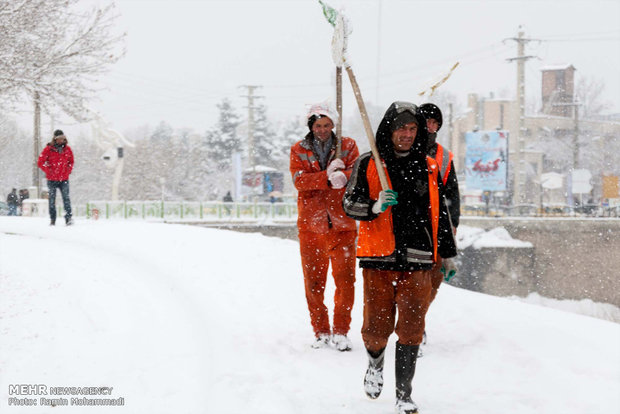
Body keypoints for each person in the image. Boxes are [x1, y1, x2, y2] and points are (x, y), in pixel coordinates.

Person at [343, 101, 457, 413]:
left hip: (419, 258)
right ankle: (375, 364)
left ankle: (404, 394)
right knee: (376, 329)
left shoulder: (430, 166)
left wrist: (447, 254)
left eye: (412, 128)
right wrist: (375, 206)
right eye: (400, 128)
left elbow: (441, 214)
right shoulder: (369, 164)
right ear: (389, 130)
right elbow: (349, 204)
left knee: (411, 327)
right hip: (379, 257)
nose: (406, 134)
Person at [290, 102, 360, 351]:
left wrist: (345, 174)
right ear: (311, 126)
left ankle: (341, 331)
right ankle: (320, 331)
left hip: (343, 223)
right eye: (318, 125)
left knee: (345, 281)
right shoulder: (299, 150)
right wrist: (326, 178)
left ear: (334, 125)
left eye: (327, 125)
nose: (322, 130)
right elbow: (299, 181)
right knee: (314, 282)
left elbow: (358, 172)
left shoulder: (347, 146)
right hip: (311, 226)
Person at [419, 103, 461, 353]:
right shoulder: (402, 148)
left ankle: (417, 319)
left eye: (435, 122)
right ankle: (410, 323)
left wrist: (452, 224)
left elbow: (452, 193)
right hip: (412, 224)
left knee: (433, 279)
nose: (430, 126)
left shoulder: (444, 156)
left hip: (437, 226)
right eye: (426, 121)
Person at [38, 129, 74, 226]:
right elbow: (40, 162)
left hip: (64, 179)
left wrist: (67, 171)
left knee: (66, 198)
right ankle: (52, 219)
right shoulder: (48, 149)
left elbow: (71, 162)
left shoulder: (68, 149)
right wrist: (48, 171)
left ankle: (68, 218)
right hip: (51, 179)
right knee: (52, 200)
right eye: (58, 138)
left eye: (62, 138)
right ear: (54, 139)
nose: (60, 140)